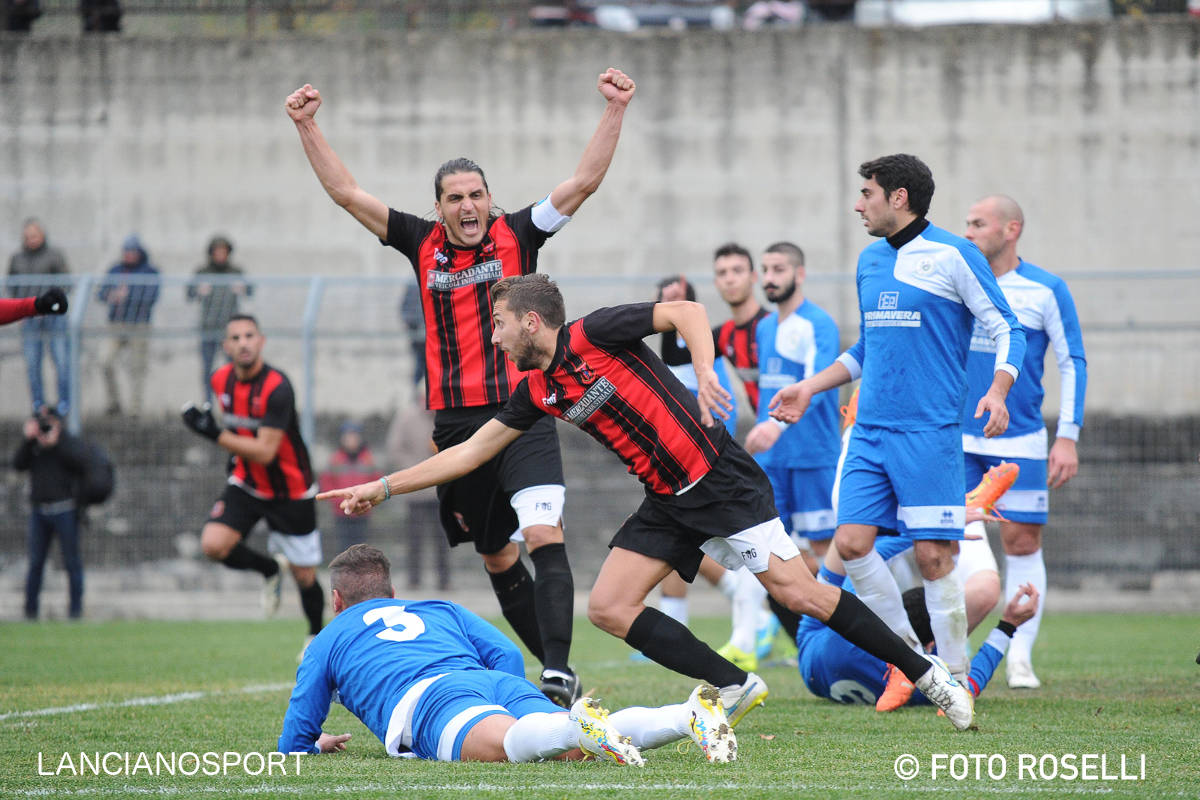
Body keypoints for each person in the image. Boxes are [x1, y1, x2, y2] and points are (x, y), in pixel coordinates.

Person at [320, 274, 977, 732]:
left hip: (719, 480)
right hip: (667, 501)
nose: (493, 338)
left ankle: (928, 674)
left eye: (497, 325)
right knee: (608, 607)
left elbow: (687, 313)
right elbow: (468, 453)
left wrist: (708, 372)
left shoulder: (593, 334)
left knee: (801, 593)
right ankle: (735, 684)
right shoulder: (537, 390)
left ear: (529, 320)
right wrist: (380, 486)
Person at [285, 67, 636, 707]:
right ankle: (554, 672)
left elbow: (583, 183)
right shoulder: (419, 243)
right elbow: (345, 192)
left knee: (543, 534)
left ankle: (556, 670)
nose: (469, 206)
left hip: (523, 410)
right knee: (497, 556)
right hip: (454, 426)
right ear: (439, 208)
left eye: (477, 194)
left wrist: (615, 108)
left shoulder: (520, 233)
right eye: (455, 198)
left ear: (489, 200)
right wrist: (307, 124)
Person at [769, 154, 1026, 694]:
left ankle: (954, 675)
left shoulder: (956, 256)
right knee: (854, 543)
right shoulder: (868, 261)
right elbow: (868, 346)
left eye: (867, 193)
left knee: (935, 557)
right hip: (868, 433)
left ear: (899, 197)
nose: (858, 203)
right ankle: (915, 662)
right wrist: (810, 386)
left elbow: (1008, 329)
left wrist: (998, 389)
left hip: (927, 435)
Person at [278, 544, 738, 764]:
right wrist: (500, 695)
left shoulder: (329, 638)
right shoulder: (436, 608)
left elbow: (296, 734)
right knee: (569, 749)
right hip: (493, 683)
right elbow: (503, 652)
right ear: (392, 590)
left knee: (510, 747)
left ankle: (575, 723)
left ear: (336, 601)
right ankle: (685, 716)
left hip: (432, 699)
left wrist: (309, 745)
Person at [963, 194, 1087, 690]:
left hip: (1021, 441)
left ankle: (1017, 656)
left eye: (978, 223)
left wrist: (1068, 438)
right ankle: (948, 656)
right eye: (966, 223)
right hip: (956, 438)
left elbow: (1071, 360)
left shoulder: (1045, 289)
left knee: (1021, 542)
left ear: (1011, 229)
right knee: (955, 542)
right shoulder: (958, 281)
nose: (967, 232)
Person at [181, 314, 324, 653]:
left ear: (261, 341)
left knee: (305, 577)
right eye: (235, 337)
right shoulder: (220, 380)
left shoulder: (278, 387)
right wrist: (207, 425)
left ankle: (315, 635)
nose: (243, 342)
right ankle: (270, 568)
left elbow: (265, 451)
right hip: (246, 482)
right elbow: (235, 433)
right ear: (225, 346)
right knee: (214, 545)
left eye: (249, 336)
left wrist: (213, 434)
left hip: (291, 489)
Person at [797, 533, 1040, 706]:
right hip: (815, 675)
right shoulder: (918, 683)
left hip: (812, 672)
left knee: (849, 542)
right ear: (930, 645)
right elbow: (970, 685)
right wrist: (1007, 626)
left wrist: (920, 533)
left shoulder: (823, 643)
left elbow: (861, 554)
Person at [14, 407, 87, 619]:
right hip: (39, 511)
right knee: (36, 562)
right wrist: (29, 440)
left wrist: (56, 443)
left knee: (72, 562)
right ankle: (30, 611)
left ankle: (75, 611)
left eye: (50, 421)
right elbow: (18, 464)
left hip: (64, 509)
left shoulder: (66, 442)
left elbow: (80, 464)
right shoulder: (33, 445)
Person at [385, 387, 452, 591]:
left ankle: (444, 579)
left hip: (440, 488)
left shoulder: (445, 416)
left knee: (442, 538)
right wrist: (415, 469)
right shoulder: (406, 417)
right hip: (416, 489)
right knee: (414, 538)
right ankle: (414, 579)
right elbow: (395, 448)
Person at [8, 219, 72, 416]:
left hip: (53, 317)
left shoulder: (54, 255)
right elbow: (12, 285)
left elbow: (66, 282)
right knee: (32, 364)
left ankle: (63, 406)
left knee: (61, 362)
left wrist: (52, 303)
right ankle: (38, 406)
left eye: (35, 235)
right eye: (28, 236)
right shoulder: (17, 258)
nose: (31, 240)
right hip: (30, 318)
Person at [98, 234, 161, 417]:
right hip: (116, 324)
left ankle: (135, 410)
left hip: (139, 325)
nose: (129, 255)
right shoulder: (116, 270)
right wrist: (112, 295)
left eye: (132, 251)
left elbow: (151, 297)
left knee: (137, 368)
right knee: (104, 361)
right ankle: (114, 403)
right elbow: (102, 293)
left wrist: (129, 294)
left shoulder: (149, 271)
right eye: (126, 251)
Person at [186, 234, 253, 400]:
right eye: (217, 251)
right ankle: (208, 403)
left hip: (230, 330)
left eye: (224, 251)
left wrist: (243, 288)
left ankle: (232, 402)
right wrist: (198, 290)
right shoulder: (203, 272)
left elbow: (250, 290)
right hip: (208, 328)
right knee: (208, 369)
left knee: (233, 368)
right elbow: (189, 293)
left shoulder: (235, 271)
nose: (220, 255)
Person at [318, 421, 381, 554]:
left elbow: (377, 483)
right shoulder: (335, 460)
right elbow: (326, 483)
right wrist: (340, 502)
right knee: (344, 547)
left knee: (362, 548)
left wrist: (366, 501)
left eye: (354, 437)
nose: (351, 441)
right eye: (348, 437)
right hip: (342, 513)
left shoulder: (368, 460)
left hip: (363, 511)